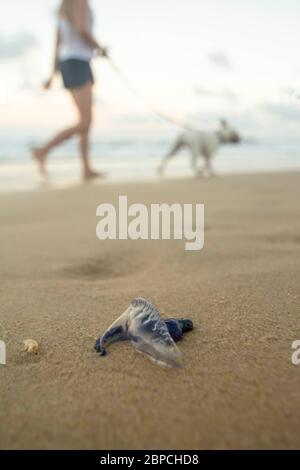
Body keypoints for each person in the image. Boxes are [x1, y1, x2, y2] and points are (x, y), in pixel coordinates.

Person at [32, 0, 108, 181]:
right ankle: (43, 150)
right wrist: (100, 48)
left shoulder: (63, 7)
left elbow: (57, 43)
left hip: (70, 63)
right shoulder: (80, 2)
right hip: (78, 62)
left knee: (85, 121)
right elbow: (81, 29)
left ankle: (86, 169)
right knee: (85, 121)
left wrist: (52, 73)